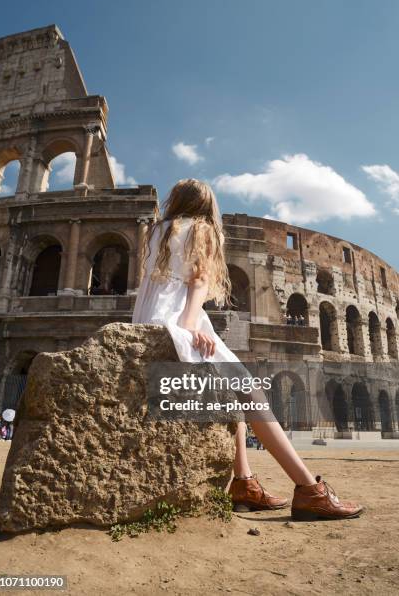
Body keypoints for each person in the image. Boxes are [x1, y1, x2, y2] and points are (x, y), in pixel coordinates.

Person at [132, 178, 364, 521]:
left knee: (234, 396)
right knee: (251, 392)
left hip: (149, 318)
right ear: (207, 206)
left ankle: (244, 482)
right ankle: (309, 490)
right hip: (182, 320)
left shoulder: (155, 231)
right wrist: (191, 325)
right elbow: (197, 282)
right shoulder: (202, 228)